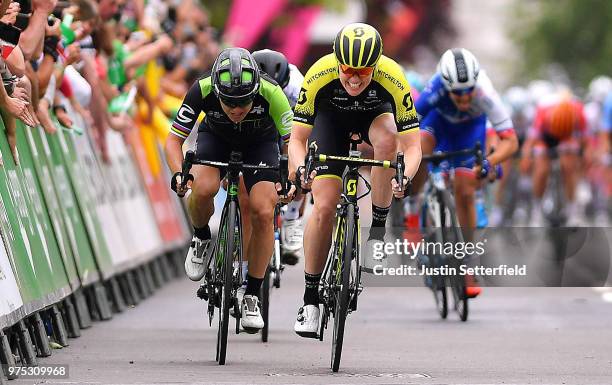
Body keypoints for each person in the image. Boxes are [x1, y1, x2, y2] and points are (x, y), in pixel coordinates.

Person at [288, 23, 421, 337]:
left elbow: (412, 146)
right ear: (337, 62)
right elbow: (297, 140)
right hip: (329, 122)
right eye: (348, 69)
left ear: (375, 65)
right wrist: (300, 170)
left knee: (388, 142)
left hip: (374, 117)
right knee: (323, 207)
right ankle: (309, 300)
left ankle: (377, 232)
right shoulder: (319, 74)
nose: (355, 78)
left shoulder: (393, 76)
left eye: (364, 71)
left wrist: (405, 176)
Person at [164, 47, 294, 332]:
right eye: (229, 104)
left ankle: (252, 295)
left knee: (262, 210)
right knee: (203, 187)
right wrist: (178, 174)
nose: (236, 110)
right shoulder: (202, 89)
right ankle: (200, 238)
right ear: (217, 93)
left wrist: (290, 178)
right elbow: (173, 141)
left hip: (260, 144)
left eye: (244, 104)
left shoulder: (272, 93)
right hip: (217, 139)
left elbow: (291, 144)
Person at [412, 48, 518, 297]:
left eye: (468, 91)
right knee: (420, 147)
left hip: (469, 132)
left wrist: (490, 162)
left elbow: (510, 141)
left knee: (465, 189)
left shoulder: (484, 92)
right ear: (446, 85)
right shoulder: (435, 88)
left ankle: (468, 264)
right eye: (457, 94)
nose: (464, 98)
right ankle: (413, 206)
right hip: (437, 125)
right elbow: (406, 125)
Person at [252, 49, 305, 263]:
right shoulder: (247, 80)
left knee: (302, 160)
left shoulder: (298, 86)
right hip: (258, 123)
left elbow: (305, 131)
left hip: (291, 123)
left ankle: (292, 218)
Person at [520, 90, 588, 226]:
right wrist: (526, 158)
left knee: (569, 167)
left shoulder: (578, 111)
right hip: (546, 138)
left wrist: (580, 159)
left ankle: (572, 209)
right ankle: (537, 209)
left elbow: (584, 140)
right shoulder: (542, 111)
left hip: (568, 137)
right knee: (541, 170)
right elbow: (531, 141)